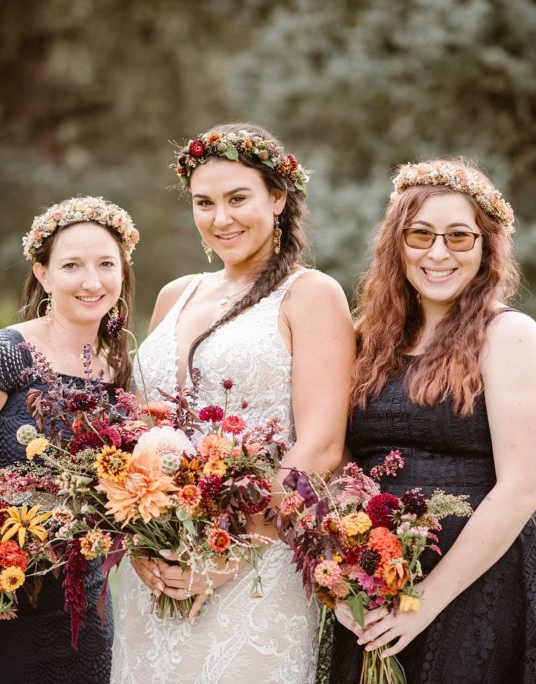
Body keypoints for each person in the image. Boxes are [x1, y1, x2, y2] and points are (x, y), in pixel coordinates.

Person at [111, 123, 355, 683]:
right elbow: (142, 428)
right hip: (160, 567)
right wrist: (145, 542)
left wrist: (228, 554)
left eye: (238, 198)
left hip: (257, 566)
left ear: (278, 198)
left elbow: (321, 445)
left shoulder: (311, 294)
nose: (220, 218)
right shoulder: (176, 294)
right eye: (204, 203)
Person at [329, 159, 536, 683]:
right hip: (377, 583)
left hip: (483, 583)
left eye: (459, 236)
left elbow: (522, 489)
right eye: (421, 234)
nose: (438, 253)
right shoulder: (365, 339)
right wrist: (343, 577)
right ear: (397, 244)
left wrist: (421, 602)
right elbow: (339, 460)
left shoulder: (509, 336)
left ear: (487, 247)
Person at [0, 196, 140, 683]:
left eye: (106, 264)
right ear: (43, 274)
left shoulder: (121, 366)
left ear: (122, 271)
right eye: (72, 265)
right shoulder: (6, 354)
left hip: (85, 605)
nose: (92, 281)